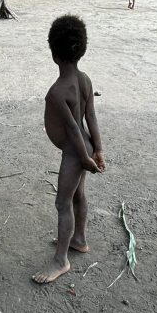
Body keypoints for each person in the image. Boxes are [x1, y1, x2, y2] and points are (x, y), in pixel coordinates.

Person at [32, 14, 105, 284]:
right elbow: (91, 118)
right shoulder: (85, 80)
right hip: (82, 149)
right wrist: (98, 149)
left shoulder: (57, 91)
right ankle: (79, 238)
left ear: (53, 53)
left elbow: (74, 129)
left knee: (63, 202)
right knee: (78, 196)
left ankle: (61, 260)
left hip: (74, 153)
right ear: (81, 49)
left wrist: (85, 157)